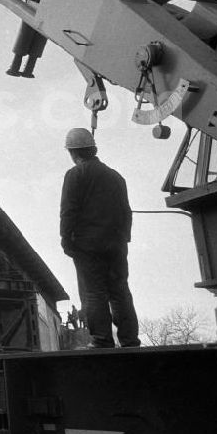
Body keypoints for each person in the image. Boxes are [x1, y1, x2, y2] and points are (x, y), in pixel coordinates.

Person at [60, 127, 139, 348]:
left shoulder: (75, 175)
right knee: (120, 291)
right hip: (116, 244)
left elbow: (68, 211)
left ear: (73, 153)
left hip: (87, 246)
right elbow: (126, 211)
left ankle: (102, 339)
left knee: (94, 292)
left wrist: (66, 240)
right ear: (93, 149)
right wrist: (124, 238)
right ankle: (130, 340)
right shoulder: (116, 177)